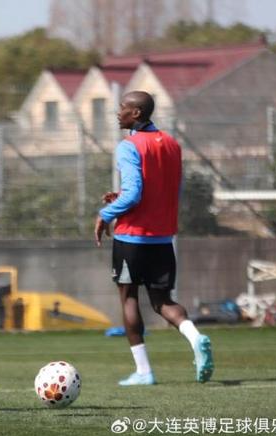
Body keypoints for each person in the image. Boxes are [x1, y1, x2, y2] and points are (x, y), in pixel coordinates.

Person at [94, 91, 213, 386]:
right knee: (163, 302)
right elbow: (169, 191)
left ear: (136, 113)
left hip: (132, 238)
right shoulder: (172, 144)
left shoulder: (129, 146)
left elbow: (135, 194)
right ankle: (195, 337)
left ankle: (144, 371)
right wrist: (121, 197)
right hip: (162, 239)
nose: (118, 112)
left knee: (129, 298)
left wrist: (106, 213)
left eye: (122, 107)